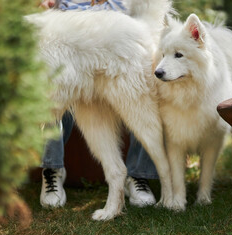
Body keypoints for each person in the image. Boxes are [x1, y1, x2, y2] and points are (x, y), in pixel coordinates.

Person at [39, 0, 158, 209]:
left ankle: (138, 176)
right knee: (49, 86)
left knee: (145, 88)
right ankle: (52, 170)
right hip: (70, 43)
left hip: (118, 39)